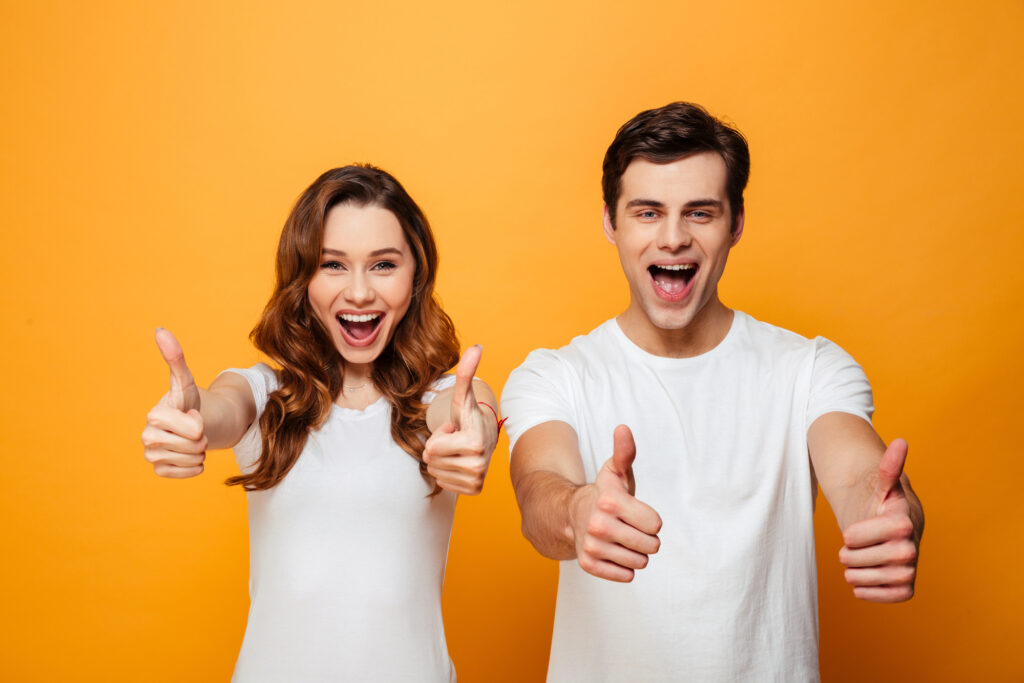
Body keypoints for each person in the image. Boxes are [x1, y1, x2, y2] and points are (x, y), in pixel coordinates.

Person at [501, 102, 924, 682]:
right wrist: (577, 511)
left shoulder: (811, 370)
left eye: (700, 212)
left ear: (737, 223)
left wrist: (885, 516)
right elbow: (538, 490)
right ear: (610, 222)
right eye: (647, 212)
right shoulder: (554, 376)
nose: (673, 239)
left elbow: (856, 475)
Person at [141, 165, 500, 682]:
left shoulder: (439, 400)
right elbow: (222, 407)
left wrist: (477, 429)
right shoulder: (265, 395)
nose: (358, 293)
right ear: (301, 278)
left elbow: (469, 412)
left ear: (415, 276)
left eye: (383, 265)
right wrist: (193, 420)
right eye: (333, 265)